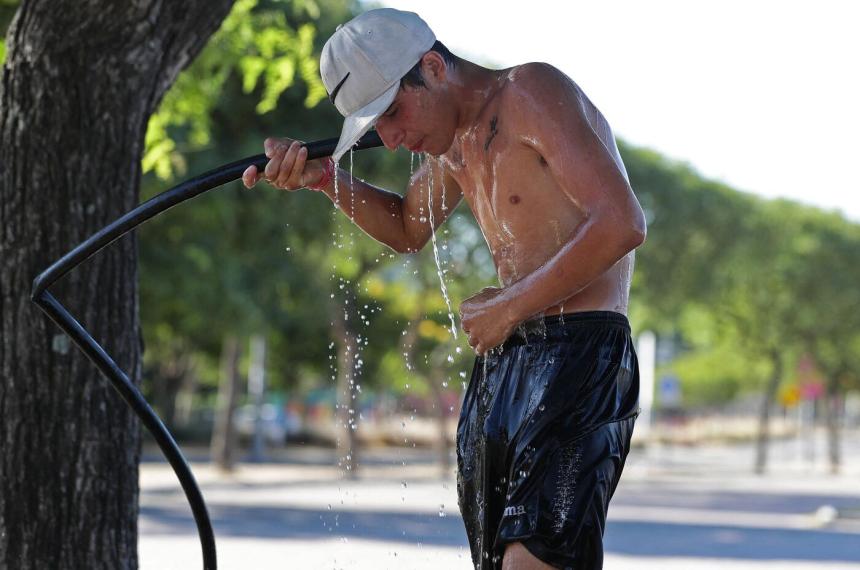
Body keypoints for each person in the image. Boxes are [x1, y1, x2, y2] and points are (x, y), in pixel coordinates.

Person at [243, 8, 645, 569]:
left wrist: (508, 306)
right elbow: (409, 228)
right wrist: (327, 179)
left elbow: (621, 222)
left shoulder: (529, 91)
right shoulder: (453, 143)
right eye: (373, 127)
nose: (389, 136)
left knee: (538, 559)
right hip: (505, 359)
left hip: (579, 353)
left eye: (391, 112)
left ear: (432, 67)